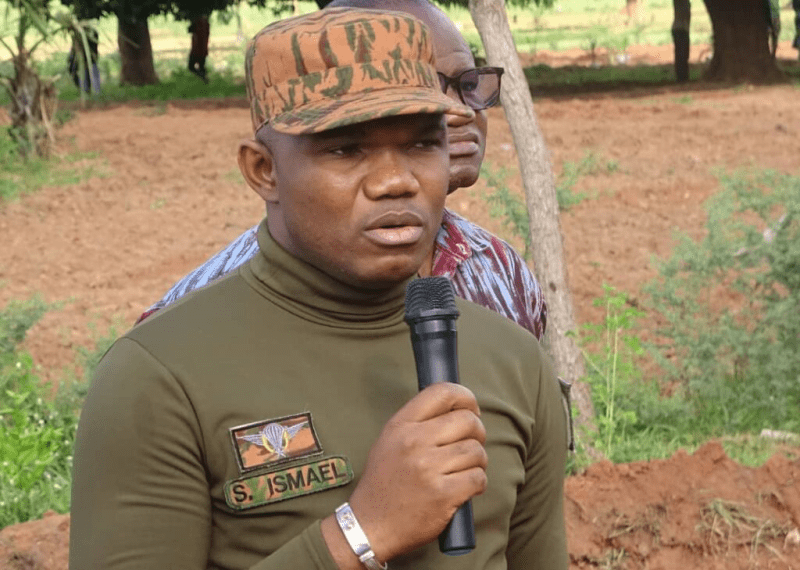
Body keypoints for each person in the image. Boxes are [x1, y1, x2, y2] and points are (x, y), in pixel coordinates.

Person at [70, 8, 568, 570]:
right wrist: (361, 531)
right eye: (345, 150)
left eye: (422, 145)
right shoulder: (158, 377)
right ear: (263, 170)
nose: (396, 181)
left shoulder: (514, 361)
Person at [137, 0, 548, 344]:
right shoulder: (182, 335)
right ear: (264, 170)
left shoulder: (499, 270)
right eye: (347, 149)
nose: (459, 113)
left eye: (468, 84)